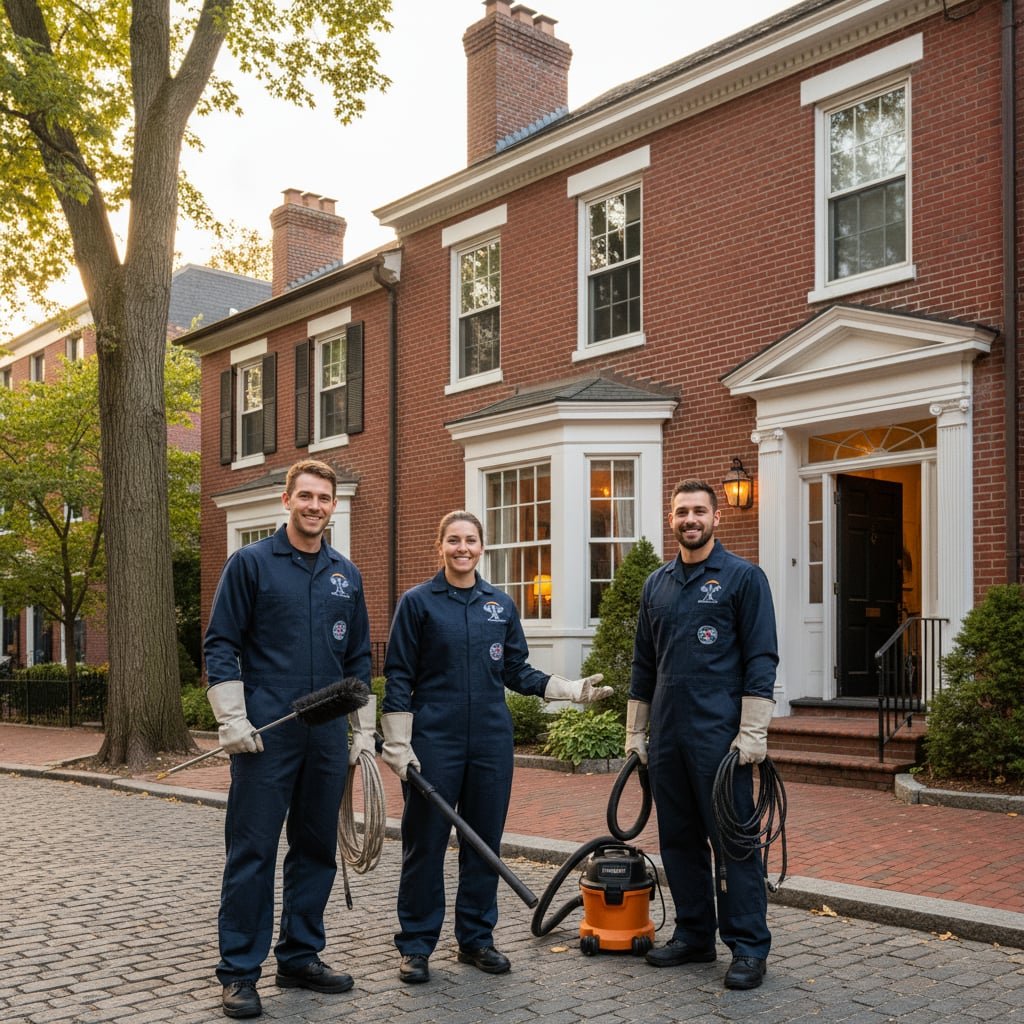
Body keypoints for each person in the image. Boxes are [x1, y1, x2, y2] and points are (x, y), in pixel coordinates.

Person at [379, 510, 611, 985]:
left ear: (481, 548)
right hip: (434, 740)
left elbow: (516, 671)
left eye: (471, 541)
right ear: (440, 546)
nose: (463, 548)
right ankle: (417, 945)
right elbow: (399, 674)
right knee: (424, 844)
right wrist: (398, 740)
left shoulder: (499, 605)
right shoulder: (418, 603)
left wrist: (568, 690)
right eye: (454, 540)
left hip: (489, 740)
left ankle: (476, 939)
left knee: (483, 843)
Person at [203, 458, 375, 1019]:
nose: (315, 506)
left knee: (316, 849)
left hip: (325, 737)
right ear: (286, 500)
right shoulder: (250, 564)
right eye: (305, 496)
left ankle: (300, 955)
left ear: (333, 506)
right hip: (264, 735)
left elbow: (359, 661)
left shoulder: (346, 574)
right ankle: (239, 971)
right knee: (252, 851)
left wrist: (363, 732)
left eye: (324, 498)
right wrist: (231, 716)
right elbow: (221, 642)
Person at [627, 480, 778, 991]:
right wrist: (636, 732)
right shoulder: (657, 584)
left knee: (735, 845)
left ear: (716, 517)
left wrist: (753, 732)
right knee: (679, 841)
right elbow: (643, 663)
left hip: (721, 739)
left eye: (698, 511)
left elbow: (761, 657)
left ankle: (749, 947)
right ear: (671, 520)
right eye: (680, 512)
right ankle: (694, 935)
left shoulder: (743, 578)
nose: (689, 519)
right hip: (668, 736)